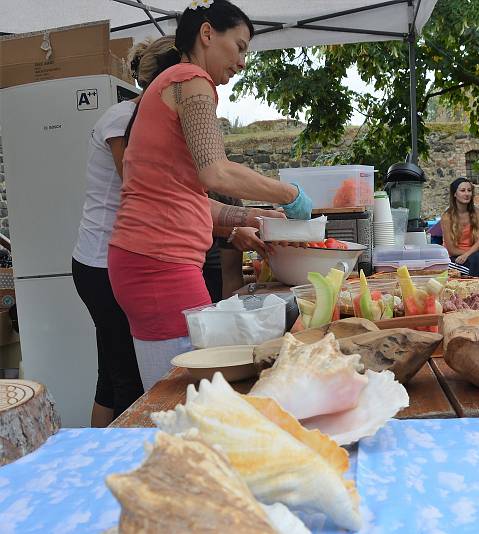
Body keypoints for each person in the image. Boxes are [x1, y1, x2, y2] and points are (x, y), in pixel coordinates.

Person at [108, 0, 313, 391]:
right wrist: (290, 193)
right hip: (159, 264)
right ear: (207, 34)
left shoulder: (171, 85)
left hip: (144, 259)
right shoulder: (191, 80)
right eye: (239, 47)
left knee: (176, 388)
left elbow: (186, 196)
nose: (241, 62)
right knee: (183, 392)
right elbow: (214, 171)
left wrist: (254, 217)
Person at [71, 36, 174, 427]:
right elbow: (140, 187)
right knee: (126, 377)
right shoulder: (121, 119)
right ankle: (121, 467)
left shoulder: (146, 121)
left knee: (111, 376)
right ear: (165, 81)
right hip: (101, 265)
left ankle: (97, 464)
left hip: (115, 262)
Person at [202, 192, 267, 302]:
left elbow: (231, 275)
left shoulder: (227, 197)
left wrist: (232, 312)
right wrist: (230, 231)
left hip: (215, 271)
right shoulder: (172, 189)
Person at [440, 177, 479, 278]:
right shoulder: (447, 217)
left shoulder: (476, 213)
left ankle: (476, 288)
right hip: (453, 258)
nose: (467, 194)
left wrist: (468, 254)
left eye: (469, 190)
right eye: (463, 190)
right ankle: (476, 288)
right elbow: (452, 250)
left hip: (472, 257)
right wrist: (474, 254)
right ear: (455, 194)